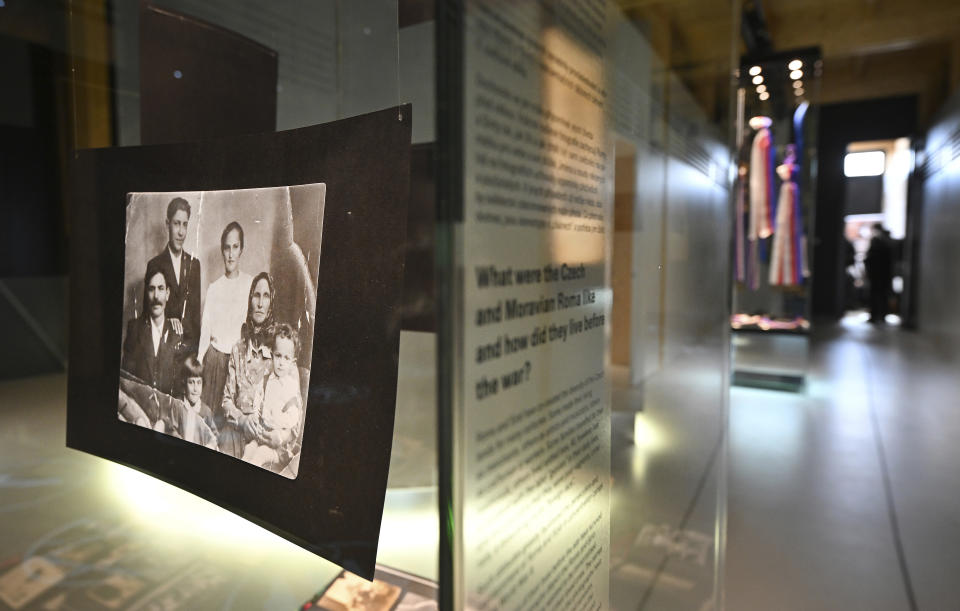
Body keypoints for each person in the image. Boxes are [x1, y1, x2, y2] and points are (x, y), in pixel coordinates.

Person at [218, 272, 276, 458]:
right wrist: (242, 420)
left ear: (271, 303)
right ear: (250, 300)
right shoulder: (238, 348)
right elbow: (226, 400)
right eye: (256, 295)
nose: (260, 303)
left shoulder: (278, 351)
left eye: (266, 296)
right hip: (236, 430)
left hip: (263, 434)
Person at [198, 222, 252, 412]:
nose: (231, 254)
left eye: (235, 247)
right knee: (210, 419)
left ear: (241, 250)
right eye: (227, 248)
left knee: (233, 423)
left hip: (238, 363)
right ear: (222, 251)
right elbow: (205, 333)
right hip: (215, 362)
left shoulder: (249, 284)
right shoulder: (214, 288)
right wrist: (198, 364)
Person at [241, 323, 303, 469]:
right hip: (264, 432)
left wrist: (278, 425)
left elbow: (294, 417)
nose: (281, 363)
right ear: (272, 355)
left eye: (286, 358)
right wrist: (256, 417)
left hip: (279, 444)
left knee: (260, 454)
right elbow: (258, 400)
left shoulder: (291, 388)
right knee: (249, 448)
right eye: (278, 356)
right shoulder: (267, 380)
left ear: (293, 362)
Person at [147, 197, 201, 355]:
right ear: (167, 224)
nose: (181, 231)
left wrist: (193, 357)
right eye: (177, 223)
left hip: (187, 354)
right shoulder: (154, 265)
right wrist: (167, 321)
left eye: (185, 224)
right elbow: (147, 317)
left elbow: (195, 319)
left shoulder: (194, 265)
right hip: (163, 352)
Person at [122, 261, 183, 395]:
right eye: (151, 289)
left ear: (167, 294)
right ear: (146, 293)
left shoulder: (177, 333)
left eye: (161, 289)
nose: (156, 296)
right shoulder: (134, 329)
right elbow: (126, 381)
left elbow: (179, 386)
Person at [865, 224, 893, 324]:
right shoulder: (887, 241)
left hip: (877, 274)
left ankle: (876, 316)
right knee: (882, 295)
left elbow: (870, 258)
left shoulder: (877, 241)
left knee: (876, 295)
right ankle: (881, 315)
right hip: (883, 273)